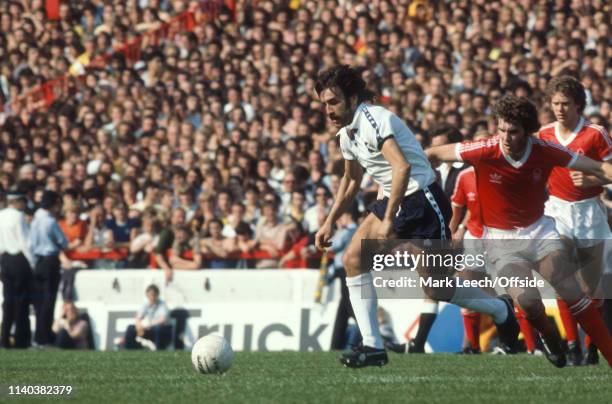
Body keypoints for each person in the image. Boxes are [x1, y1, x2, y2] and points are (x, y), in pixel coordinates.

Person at [314, 65, 518, 368]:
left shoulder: (373, 118)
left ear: (353, 98)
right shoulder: (347, 134)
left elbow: (402, 167)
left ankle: (501, 311)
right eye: (324, 104)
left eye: (334, 102)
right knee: (355, 261)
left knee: (436, 287)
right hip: (398, 200)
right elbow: (351, 179)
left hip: (422, 201)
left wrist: (387, 219)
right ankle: (373, 346)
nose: (328, 111)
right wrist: (330, 220)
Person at [426, 94, 612, 367]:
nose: (505, 137)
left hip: (540, 232)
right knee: (529, 303)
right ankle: (550, 337)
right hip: (501, 242)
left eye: (512, 131)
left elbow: (599, 167)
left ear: (527, 130)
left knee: (571, 290)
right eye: (501, 129)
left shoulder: (544, 150)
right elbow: (432, 154)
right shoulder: (484, 149)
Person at [540, 75, 612, 366]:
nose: (560, 109)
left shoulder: (596, 134)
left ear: (579, 105)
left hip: (589, 213)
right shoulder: (543, 134)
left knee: (593, 289)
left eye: (565, 104)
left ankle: (590, 345)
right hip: (556, 211)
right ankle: (572, 344)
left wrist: (592, 177)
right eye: (555, 103)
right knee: (561, 278)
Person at [29, 190, 69, 347]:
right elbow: (63, 242)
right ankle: (45, 336)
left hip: (38, 261)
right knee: (49, 300)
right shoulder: (51, 221)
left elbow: (30, 244)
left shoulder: (35, 220)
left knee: (39, 301)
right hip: (50, 260)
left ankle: (39, 335)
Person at [0, 191, 33, 348]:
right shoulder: (18, 216)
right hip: (19, 260)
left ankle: (4, 338)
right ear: (16, 201)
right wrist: (33, 263)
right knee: (21, 301)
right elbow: (25, 242)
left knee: (8, 301)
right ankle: (21, 339)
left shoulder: (1, 215)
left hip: (5, 259)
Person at [123, 284, 172, 350]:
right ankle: (131, 350)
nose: (151, 297)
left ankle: (159, 350)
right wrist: (139, 326)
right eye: (149, 295)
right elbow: (138, 317)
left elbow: (162, 319)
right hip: (149, 329)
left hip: (163, 330)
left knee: (158, 329)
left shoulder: (162, 304)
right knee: (130, 329)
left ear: (157, 295)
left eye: (153, 295)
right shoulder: (146, 304)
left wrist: (148, 326)